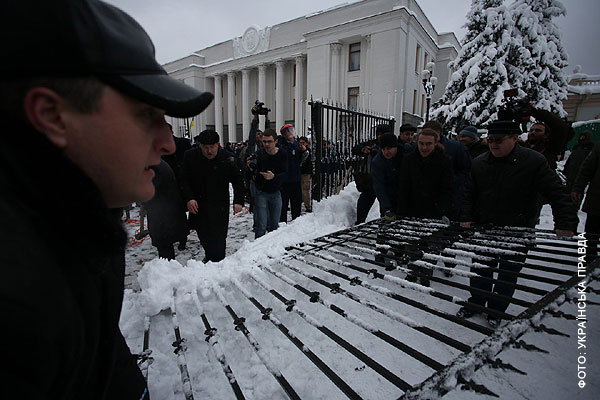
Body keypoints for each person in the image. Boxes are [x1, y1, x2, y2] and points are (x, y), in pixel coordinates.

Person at [0, 0, 214, 398]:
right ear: (53, 114)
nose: (168, 143)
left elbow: (100, 348)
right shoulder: (17, 303)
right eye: (145, 115)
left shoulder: (87, 217)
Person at [458, 120, 577, 326]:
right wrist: (466, 216)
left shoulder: (533, 161)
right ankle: (476, 302)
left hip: (518, 228)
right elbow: (469, 192)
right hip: (486, 226)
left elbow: (556, 192)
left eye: (499, 140)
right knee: (480, 269)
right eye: (491, 140)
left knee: (507, 274)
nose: (494, 145)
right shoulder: (480, 162)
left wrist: (565, 221)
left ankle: (496, 311)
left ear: (514, 139)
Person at [397, 128, 453, 286]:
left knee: (432, 247)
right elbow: (403, 187)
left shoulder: (444, 161)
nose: (424, 147)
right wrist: (402, 212)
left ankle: (426, 274)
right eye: (421, 143)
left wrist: (444, 211)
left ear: (436, 143)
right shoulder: (409, 160)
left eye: (428, 144)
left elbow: (447, 189)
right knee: (411, 244)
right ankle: (413, 271)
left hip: (435, 211)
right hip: (412, 210)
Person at [182, 129, 244, 262]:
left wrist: (238, 200)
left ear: (218, 145)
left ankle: (218, 262)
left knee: (219, 237)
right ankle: (210, 256)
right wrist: (189, 198)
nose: (209, 151)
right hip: (198, 204)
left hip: (219, 205)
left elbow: (238, 180)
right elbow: (183, 179)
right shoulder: (190, 156)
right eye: (205, 148)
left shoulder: (227, 157)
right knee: (203, 235)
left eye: (212, 147)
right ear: (200, 146)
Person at [422, 120, 471, 220]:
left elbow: (466, 170)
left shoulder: (455, 148)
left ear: (438, 133)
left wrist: (451, 181)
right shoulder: (420, 148)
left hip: (451, 197)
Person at [143, 160, 189, 259]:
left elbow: (150, 192)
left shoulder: (153, 166)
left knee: (164, 247)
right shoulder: (156, 162)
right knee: (165, 244)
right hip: (166, 211)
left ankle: (168, 269)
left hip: (162, 214)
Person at [351, 124, 392, 224]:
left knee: (385, 206)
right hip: (370, 181)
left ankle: (385, 224)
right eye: (378, 134)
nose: (379, 137)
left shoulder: (392, 145)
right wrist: (363, 149)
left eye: (382, 134)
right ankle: (360, 223)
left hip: (385, 182)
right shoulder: (372, 143)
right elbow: (355, 149)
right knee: (364, 202)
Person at [253, 129, 288, 238]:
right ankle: (256, 250)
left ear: (276, 141)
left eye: (269, 141)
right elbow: (254, 172)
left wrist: (274, 177)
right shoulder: (259, 154)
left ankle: (271, 249)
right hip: (261, 192)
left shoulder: (282, 154)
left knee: (274, 225)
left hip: (276, 192)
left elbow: (286, 174)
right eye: (264, 141)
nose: (267, 144)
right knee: (261, 225)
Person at [572, 141, 600, 257]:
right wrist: (578, 188)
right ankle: (587, 261)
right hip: (597, 200)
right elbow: (587, 168)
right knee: (591, 233)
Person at [371, 133, 404, 219]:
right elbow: (379, 186)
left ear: (395, 147)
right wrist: (387, 208)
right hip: (389, 200)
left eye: (389, 148)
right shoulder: (378, 162)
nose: (386, 152)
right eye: (383, 149)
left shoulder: (406, 155)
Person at [278, 124, 304, 222]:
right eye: (289, 131)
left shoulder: (296, 143)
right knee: (283, 204)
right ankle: (282, 223)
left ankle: (296, 221)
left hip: (296, 178)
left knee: (296, 203)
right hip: (285, 180)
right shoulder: (281, 144)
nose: (291, 133)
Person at [563, 131, 594, 195]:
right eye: (581, 136)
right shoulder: (577, 147)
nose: (581, 138)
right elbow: (570, 160)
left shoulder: (591, 148)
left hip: (579, 175)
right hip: (571, 174)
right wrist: (566, 169)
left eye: (583, 137)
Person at [299, 136, 313, 212]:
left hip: (306, 172)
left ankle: (307, 205)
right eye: (300, 143)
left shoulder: (308, 151)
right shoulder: (298, 150)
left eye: (303, 143)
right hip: (299, 172)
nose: (301, 145)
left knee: (305, 189)